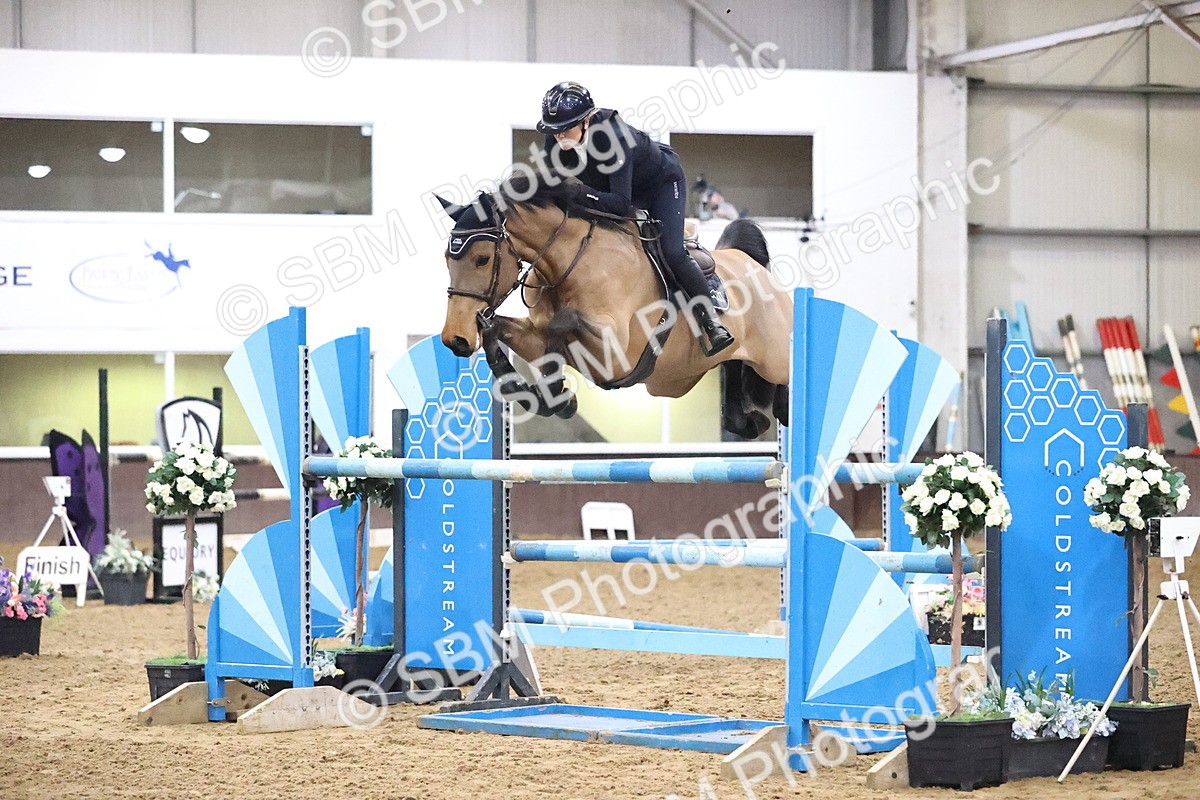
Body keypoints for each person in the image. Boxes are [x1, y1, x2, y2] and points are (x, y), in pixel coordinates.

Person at [536, 81, 734, 356]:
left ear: (586, 121)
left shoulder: (614, 137)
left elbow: (620, 205)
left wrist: (577, 192)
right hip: (614, 188)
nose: (558, 138)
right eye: (554, 132)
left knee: (672, 252)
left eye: (565, 129)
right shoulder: (557, 137)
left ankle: (710, 320)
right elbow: (553, 186)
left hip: (660, 185)